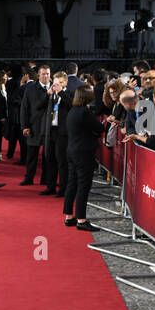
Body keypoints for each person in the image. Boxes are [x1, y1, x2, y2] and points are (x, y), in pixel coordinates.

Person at [61, 85, 106, 232]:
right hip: (83, 153)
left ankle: (69, 217)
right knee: (83, 186)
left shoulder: (73, 111)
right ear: (88, 97)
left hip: (72, 150)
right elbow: (99, 128)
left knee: (72, 183)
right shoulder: (84, 112)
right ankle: (81, 219)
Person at [19, 65, 52, 185]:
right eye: (43, 74)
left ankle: (46, 179)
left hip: (50, 128)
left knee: (48, 156)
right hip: (34, 126)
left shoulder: (56, 88)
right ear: (38, 75)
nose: (46, 76)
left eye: (48, 74)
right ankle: (29, 178)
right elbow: (24, 108)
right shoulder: (31, 89)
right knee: (31, 155)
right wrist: (25, 126)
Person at [42, 71, 70, 196]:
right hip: (50, 131)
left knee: (62, 161)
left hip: (62, 132)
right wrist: (47, 95)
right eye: (55, 83)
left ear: (65, 83)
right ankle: (50, 187)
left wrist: (61, 92)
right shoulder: (51, 94)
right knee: (50, 159)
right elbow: (39, 106)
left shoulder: (69, 93)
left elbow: (71, 105)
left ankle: (63, 189)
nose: (57, 85)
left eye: (60, 83)